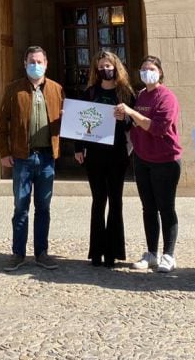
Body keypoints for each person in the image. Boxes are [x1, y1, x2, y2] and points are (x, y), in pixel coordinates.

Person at [0, 46, 64, 271]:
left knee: (43, 207)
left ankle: (42, 253)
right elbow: (1, 122)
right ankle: (18, 253)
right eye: (31, 61)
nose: (35, 65)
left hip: (46, 157)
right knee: (21, 207)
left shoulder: (56, 89)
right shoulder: (13, 89)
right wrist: (4, 152)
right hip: (22, 158)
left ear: (46, 63)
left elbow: (68, 122)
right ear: (24, 63)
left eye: (39, 61)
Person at [115, 56, 182, 273]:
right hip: (143, 159)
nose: (147, 72)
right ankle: (152, 253)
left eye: (151, 69)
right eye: (143, 69)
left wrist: (132, 113)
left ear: (160, 72)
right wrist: (123, 116)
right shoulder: (141, 95)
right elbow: (133, 125)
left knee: (166, 207)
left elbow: (158, 128)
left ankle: (169, 255)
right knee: (148, 208)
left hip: (165, 160)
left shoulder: (167, 97)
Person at [73, 51, 133, 268]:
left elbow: (133, 124)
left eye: (107, 65)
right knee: (98, 201)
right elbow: (81, 121)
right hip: (95, 155)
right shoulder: (90, 93)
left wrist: (124, 118)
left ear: (116, 67)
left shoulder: (125, 93)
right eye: (100, 67)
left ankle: (113, 252)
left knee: (116, 201)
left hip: (117, 152)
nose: (104, 70)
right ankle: (96, 251)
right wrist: (78, 148)